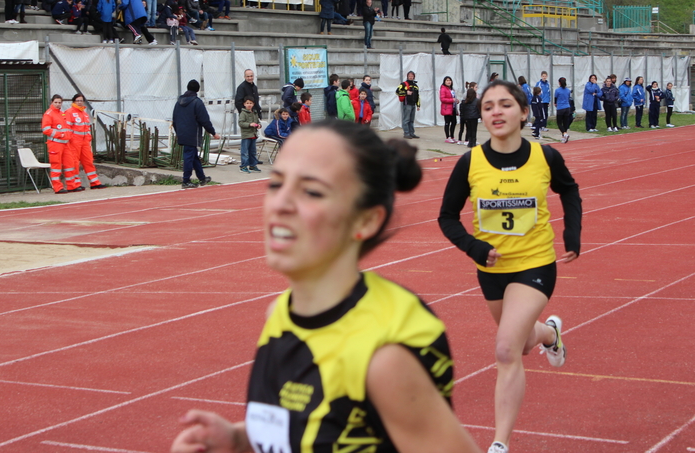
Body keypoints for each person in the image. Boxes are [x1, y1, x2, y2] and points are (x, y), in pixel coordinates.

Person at [172, 120, 480, 453]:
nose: (281, 204)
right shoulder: (280, 314)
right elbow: (307, 430)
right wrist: (238, 440)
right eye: (276, 184)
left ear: (366, 220)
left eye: (312, 191)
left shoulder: (385, 359)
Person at [438, 79, 582, 453]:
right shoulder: (470, 162)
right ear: (482, 116)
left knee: (504, 349)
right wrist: (473, 247)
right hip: (491, 271)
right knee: (519, 345)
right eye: (488, 107)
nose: (496, 112)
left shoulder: (545, 156)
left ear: (522, 112)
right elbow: (447, 217)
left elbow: (569, 189)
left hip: (535, 264)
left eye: (505, 105)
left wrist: (572, 233)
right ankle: (550, 334)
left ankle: (499, 444)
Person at [173, 79, 219, 188]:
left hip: (182, 132)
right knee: (189, 156)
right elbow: (204, 119)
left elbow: (174, 119)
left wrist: (178, 132)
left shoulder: (178, 102)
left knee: (193, 156)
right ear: (197, 89)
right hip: (192, 133)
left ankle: (202, 178)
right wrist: (213, 132)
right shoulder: (197, 102)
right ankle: (186, 180)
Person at [66, 93, 106, 191]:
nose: (79, 102)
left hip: (84, 142)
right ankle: (75, 184)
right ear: (73, 101)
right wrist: (71, 139)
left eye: (81, 100)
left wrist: (88, 138)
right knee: (75, 163)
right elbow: (67, 128)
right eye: (77, 101)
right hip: (74, 141)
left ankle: (94, 182)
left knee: (88, 161)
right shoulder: (69, 112)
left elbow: (87, 128)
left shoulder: (84, 113)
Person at [42, 93, 77, 193]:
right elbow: (46, 129)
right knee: (56, 166)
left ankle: (71, 186)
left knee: (69, 164)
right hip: (55, 144)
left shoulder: (62, 113)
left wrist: (68, 136)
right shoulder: (48, 114)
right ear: (52, 102)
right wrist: (60, 135)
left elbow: (67, 127)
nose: (58, 104)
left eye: (59, 102)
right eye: (56, 102)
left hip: (65, 143)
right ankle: (57, 188)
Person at [238, 97, 262, 174]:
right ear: (244, 104)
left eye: (251, 103)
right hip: (246, 135)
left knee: (253, 152)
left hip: (254, 135)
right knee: (245, 152)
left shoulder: (255, 112)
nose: (249, 105)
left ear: (253, 104)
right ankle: (243, 166)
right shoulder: (243, 113)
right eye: (247, 103)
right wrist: (249, 124)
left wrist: (259, 125)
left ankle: (253, 165)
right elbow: (241, 123)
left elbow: (258, 122)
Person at [397, 71, 420, 139]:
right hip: (407, 104)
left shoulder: (416, 86)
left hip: (413, 104)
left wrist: (418, 105)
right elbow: (397, 91)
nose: (411, 77)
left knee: (411, 120)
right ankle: (406, 133)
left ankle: (411, 133)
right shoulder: (403, 84)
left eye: (412, 76)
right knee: (406, 119)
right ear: (407, 76)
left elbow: (418, 96)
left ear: (414, 77)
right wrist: (406, 92)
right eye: (409, 75)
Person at [554, 77, 572, 143]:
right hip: (567, 107)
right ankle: (564, 136)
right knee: (565, 123)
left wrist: (555, 103)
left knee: (559, 123)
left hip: (560, 108)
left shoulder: (557, 90)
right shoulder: (568, 90)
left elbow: (555, 98)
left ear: (559, 83)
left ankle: (564, 134)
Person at [440, 76, 458, 144]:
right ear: (444, 81)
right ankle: (447, 137)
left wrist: (456, 100)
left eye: (450, 80)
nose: (449, 81)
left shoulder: (452, 89)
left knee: (454, 122)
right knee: (447, 123)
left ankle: (452, 136)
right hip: (447, 108)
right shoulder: (443, 89)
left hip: (453, 108)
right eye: (447, 80)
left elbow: (453, 97)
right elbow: (442, 99)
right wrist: (452, 100)